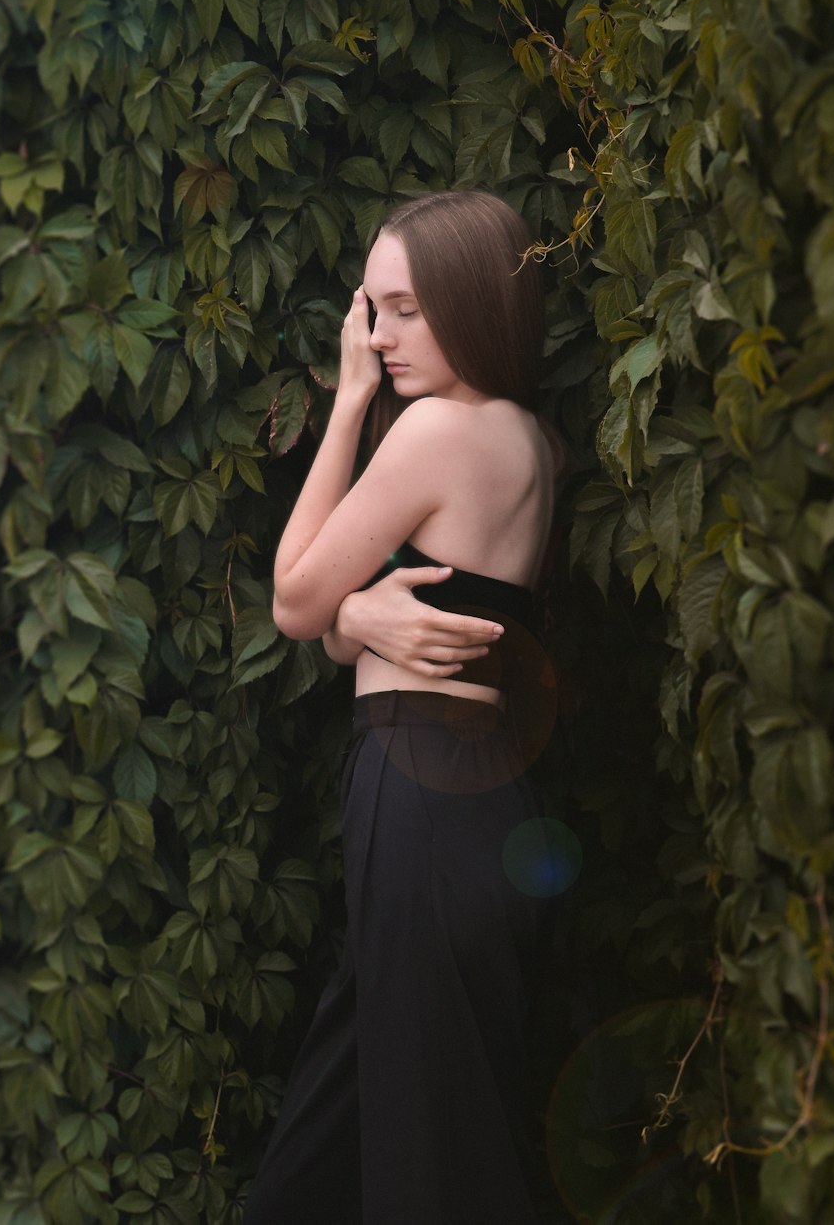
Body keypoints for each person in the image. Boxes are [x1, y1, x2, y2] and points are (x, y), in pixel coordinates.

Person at [245, 190, 560, 1225]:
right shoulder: (525, 438)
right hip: (464, 798)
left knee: (439, 1165)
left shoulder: (433, 432)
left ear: (473, 302)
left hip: (420, 797)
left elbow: (297, 601)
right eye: (369, 313)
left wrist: (343, 407)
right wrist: (363, 620)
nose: (377, 340)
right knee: (348, 1146)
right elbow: (354, 624)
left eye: (405, 311)